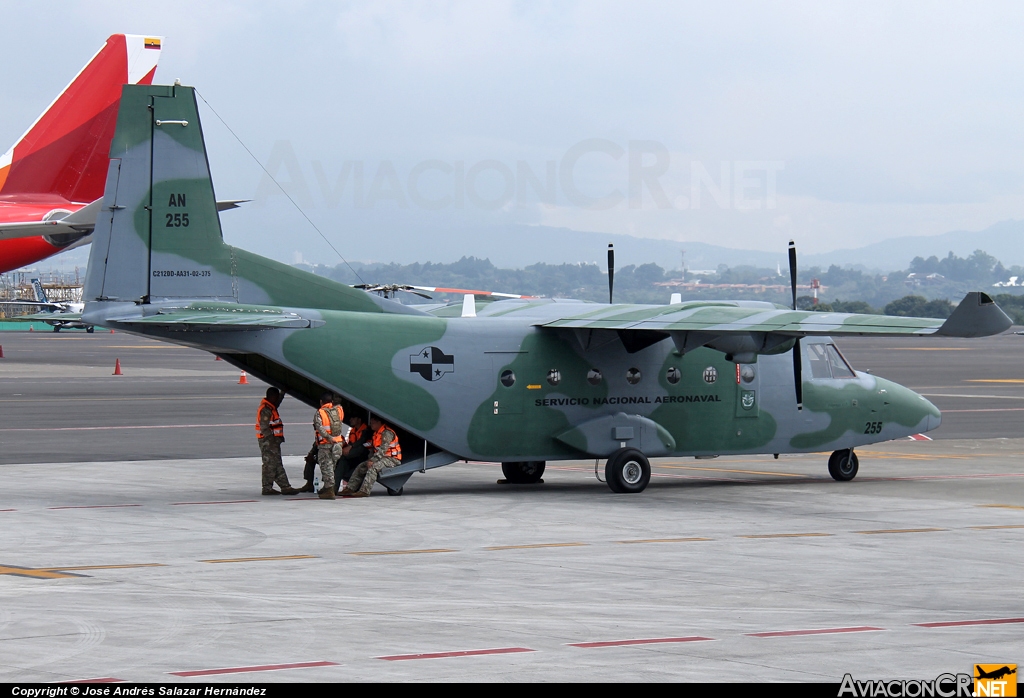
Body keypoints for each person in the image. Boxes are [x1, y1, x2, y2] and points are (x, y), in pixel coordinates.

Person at [340, 415, 401, 498]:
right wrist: (370, 459)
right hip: (381, 458)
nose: (371, 425)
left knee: (373, 467)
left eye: (373, 423)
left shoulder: (386, 433)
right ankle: (350, 488)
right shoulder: (376, 433)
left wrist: (373, 461)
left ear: (379, 423)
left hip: (392, 459)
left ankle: (364, 491)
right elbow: (374, 449)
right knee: (361, 467)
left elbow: (382, 450)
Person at [255, 388, 299, 495]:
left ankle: (285, 486)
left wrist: (283, 393)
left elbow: (278, 402)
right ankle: (267, 487)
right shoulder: (266, 409)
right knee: (269, 464)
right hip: (268, 441)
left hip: (273, 441)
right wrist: (271, 441)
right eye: (276, 397)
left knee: (276, 463)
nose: (277, 399)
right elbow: (264, 427)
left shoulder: (271, 406)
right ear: (272, 397)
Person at [313, 392, 345, 499]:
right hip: (338, 444)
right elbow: (339, 404)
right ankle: (327, 487)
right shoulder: (338, 410)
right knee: (332, 466)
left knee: (326, 467)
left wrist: (328, 438)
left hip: (326, 444)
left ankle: (330, 490)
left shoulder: (320, 412)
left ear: (321, 402)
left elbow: (319, 428)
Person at [334, 413, 369, 494]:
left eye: (353, 418)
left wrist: (350, 447)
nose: (350, 420)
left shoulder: (366, 430)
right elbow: (350, 443)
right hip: (354, 456)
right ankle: (334, 488)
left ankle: (334, 487)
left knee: (342, 457)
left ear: (359, 420)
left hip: (364, 455)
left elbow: (362, 442)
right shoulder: (353, 431)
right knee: (342, 462)